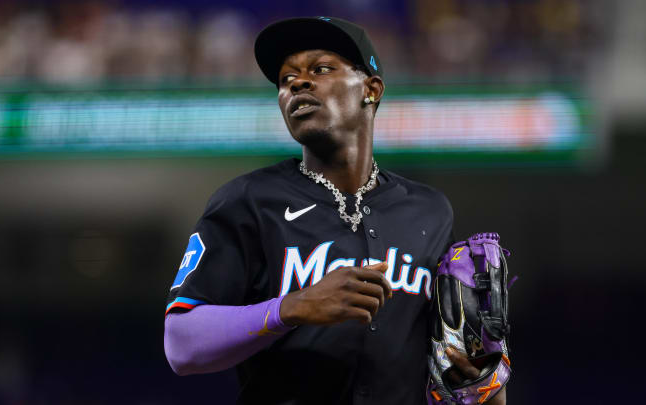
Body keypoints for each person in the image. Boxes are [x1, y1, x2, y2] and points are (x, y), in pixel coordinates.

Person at [164, 17, 505, 405]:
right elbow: (181, 344)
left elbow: (464, 376)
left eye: (320, 69)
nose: (297, 83)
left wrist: (484, 379)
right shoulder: (248, 200)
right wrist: (289, 309)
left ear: (371, 90)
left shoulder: (429, 211)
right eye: (285, 78)